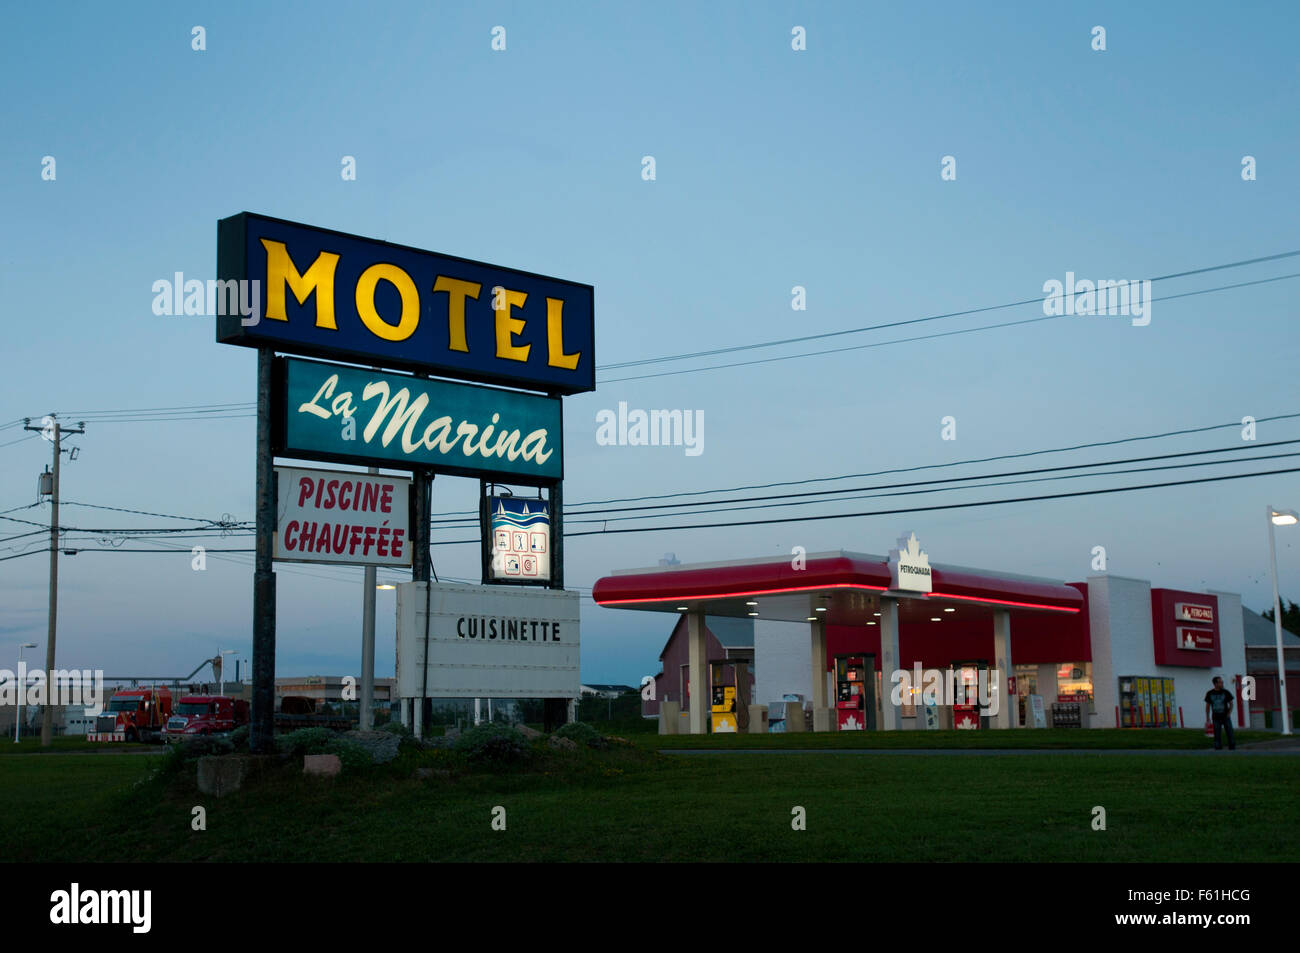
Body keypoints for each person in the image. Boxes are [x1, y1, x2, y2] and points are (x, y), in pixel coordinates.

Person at [1204, 676, 1236, 751]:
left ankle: (1232, 747)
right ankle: (1218, 749)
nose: (1222, 684)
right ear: (1215, 684)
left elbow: (1231, 703)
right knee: (1217, 734)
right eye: (1220, 682)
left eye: (1222, 682)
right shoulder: (1210, 693)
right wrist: (1207, 717)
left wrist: (1229, 713)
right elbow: (1207, 706)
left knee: (1230, 732)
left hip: (1225, 716)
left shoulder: (1226, 692)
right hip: (1216, 717)